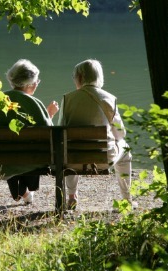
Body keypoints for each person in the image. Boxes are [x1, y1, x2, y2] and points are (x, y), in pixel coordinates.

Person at [57, 59, 135, 210]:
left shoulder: (68, 99)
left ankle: (72, 196)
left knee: (70, 147)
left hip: (73, 160)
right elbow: (120, 134)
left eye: (74, 77)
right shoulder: (109, 98)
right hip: (103, 160)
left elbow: (61, 131)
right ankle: (127, 199)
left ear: (80, 77)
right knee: (125, 149)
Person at [0, 59, 59, 204]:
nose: (36, 84)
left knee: (9, 150)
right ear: (30, 83)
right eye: (36, 81)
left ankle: (20, 190)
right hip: (30, 161)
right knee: (29, 149)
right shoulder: (34, 103)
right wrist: (50, 115)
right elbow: (50, 136)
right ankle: (23, 190)